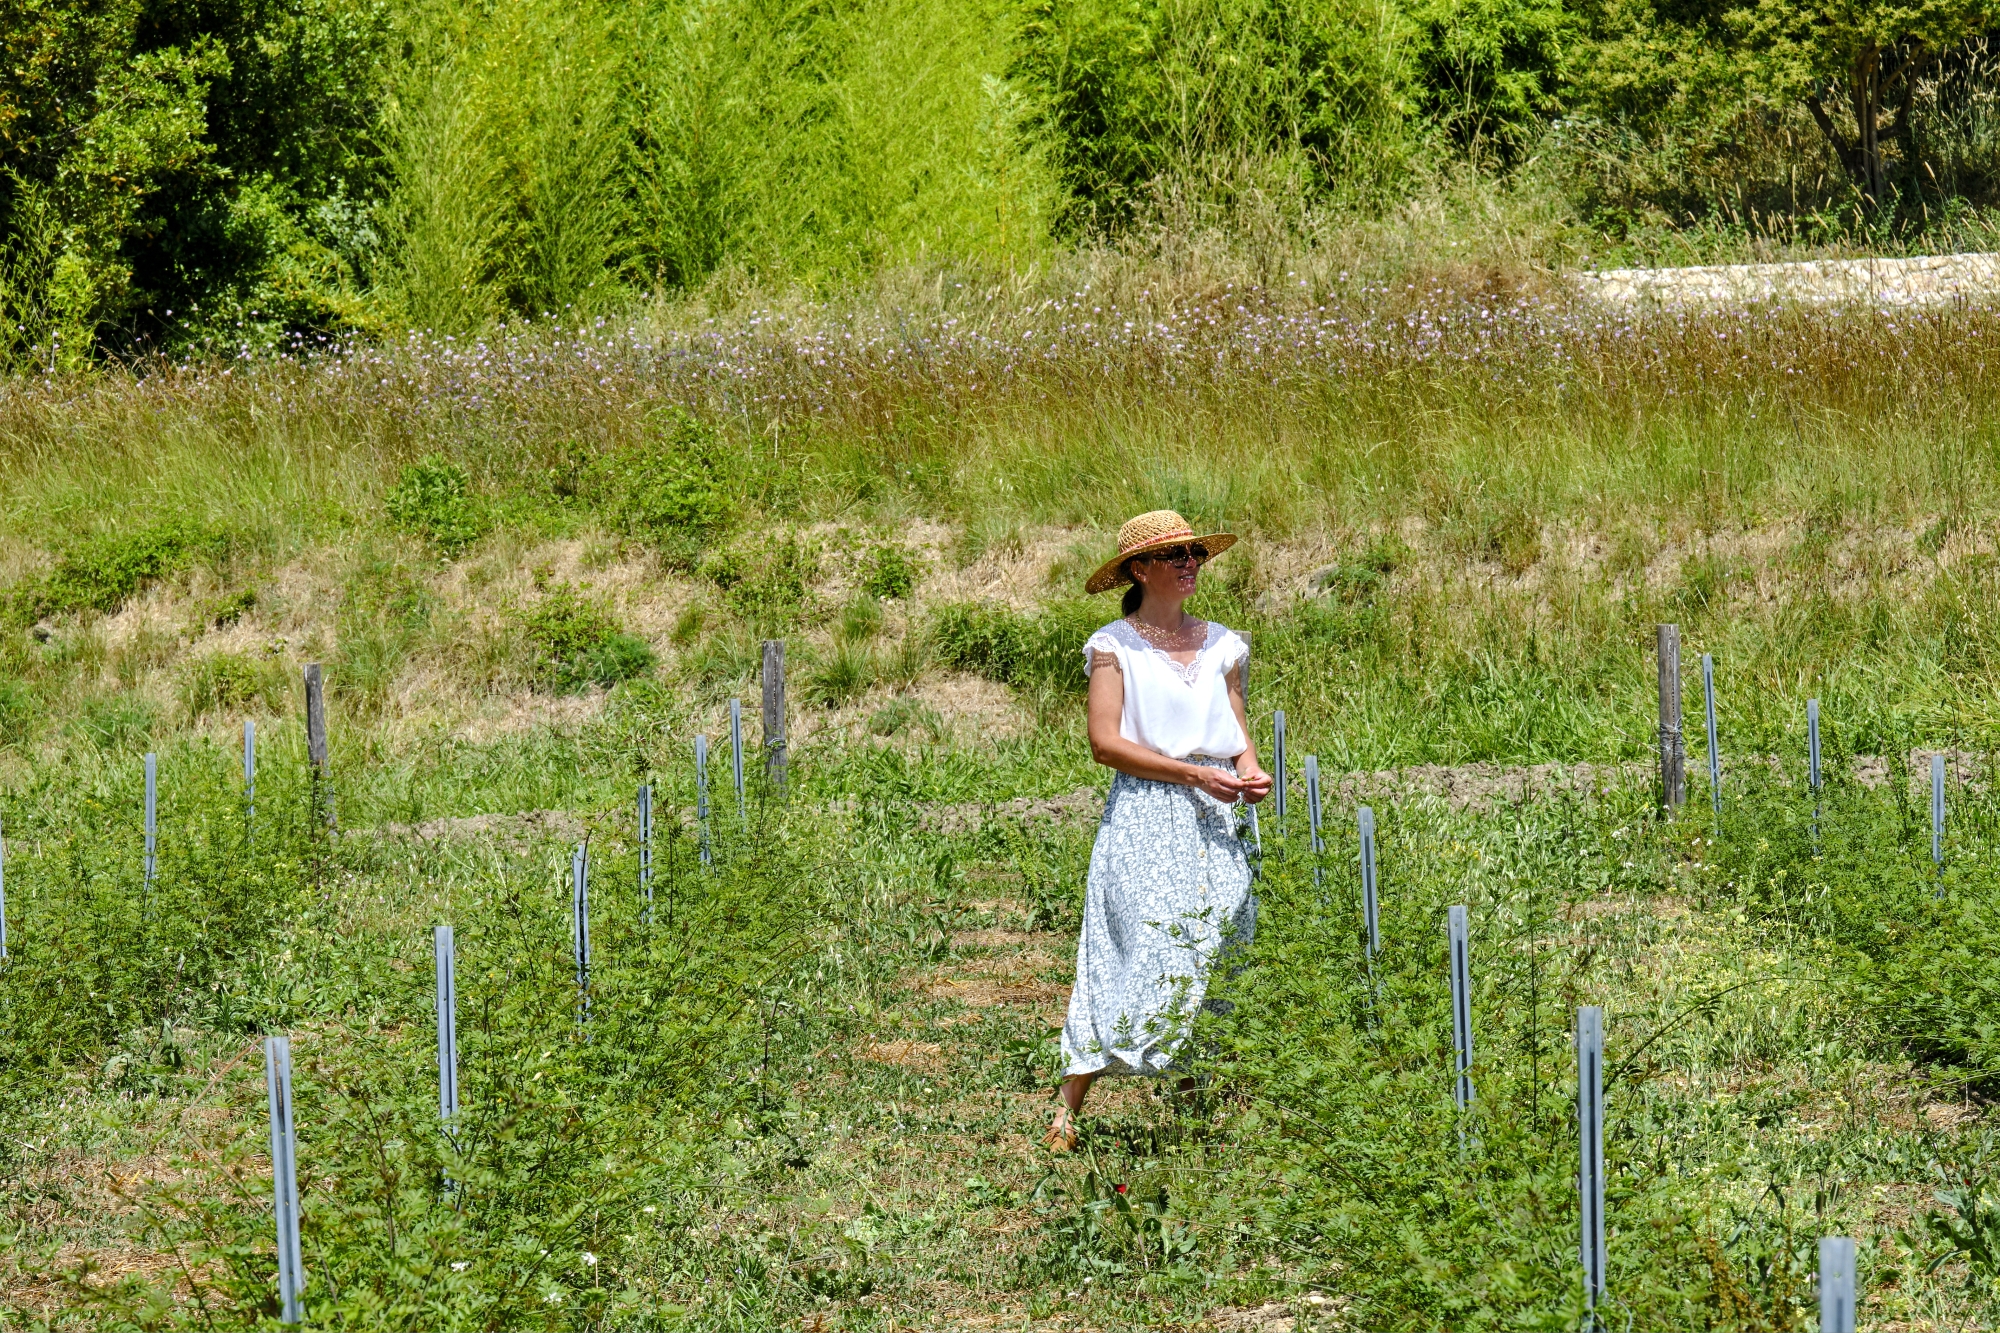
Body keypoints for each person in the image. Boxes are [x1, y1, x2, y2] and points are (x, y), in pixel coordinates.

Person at [1046, 510, 1271, 1152]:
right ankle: (1068, 1109)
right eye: (1175, 556)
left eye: (1195, 553)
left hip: (1219, 815)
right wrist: (1191, 776)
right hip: (1148, 810)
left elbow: (1236, 735)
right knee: (1135, 950)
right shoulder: (1114, 646)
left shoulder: (1223, 643)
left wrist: (1251, 775)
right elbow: (1105, 744)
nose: (1190, 564)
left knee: (1218, 948)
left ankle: (1196, 1105)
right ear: (1140, 570)